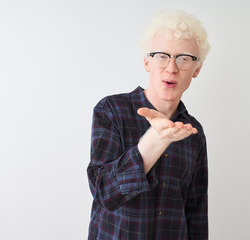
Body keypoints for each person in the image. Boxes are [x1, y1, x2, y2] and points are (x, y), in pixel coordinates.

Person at [87, 10, 211, 239]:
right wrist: (153, 143)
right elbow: (104, 193)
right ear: (147, 62)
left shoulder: (193, 132)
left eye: (184, 58)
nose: (172, 68)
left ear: (197, 69)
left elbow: (196, 213)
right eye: (162, 55)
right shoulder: (111, 110)